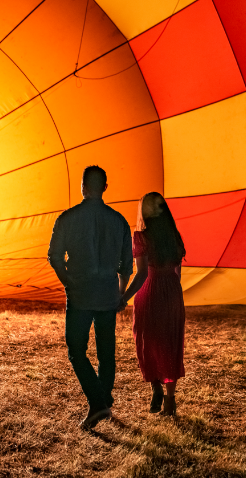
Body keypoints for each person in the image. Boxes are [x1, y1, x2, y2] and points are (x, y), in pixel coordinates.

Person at [47, 165, 133, 431]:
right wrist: (120, 291)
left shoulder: (67, 218)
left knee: (76, 351)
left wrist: (68, 282)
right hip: (107, 292)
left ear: (82, 187)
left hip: (81, 293)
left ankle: (98, 403)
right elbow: (127, 264)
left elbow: (55, 257)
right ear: (105, 187)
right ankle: (103, 399)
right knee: (106, 352)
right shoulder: (119, 220)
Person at [121, 192, 186, 416]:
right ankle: (170, 401)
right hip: (172, 292)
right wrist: (172, 293)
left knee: (147, 343)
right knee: (170, 344)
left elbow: (140, 275)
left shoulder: (141, 237)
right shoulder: (174, 235)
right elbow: (177, 273)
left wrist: (124, 297)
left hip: (149, 290)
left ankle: (155, 387)